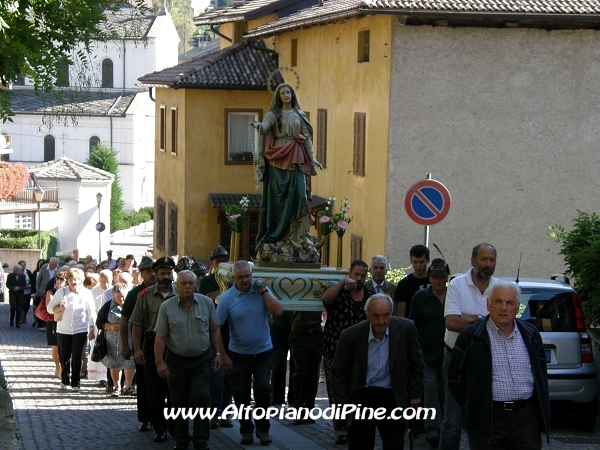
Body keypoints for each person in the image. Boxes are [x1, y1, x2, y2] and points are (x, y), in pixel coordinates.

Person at [448, 282, 550, 449]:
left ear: (517, 307)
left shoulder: (531, 334)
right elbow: (455, 380)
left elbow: (541, 375)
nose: (504, 307)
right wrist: (475, 405)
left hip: (525, 420)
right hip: (487, 419)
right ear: (488, 304)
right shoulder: (471, 337)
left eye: (509, 303)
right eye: (498, 301)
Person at [332, 294, 424, 449]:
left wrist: (415, 395)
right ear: (367, 315)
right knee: (360, 443)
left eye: (386, 315)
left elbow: (417, 364)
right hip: (363, 395)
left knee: (395, 443)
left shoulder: (406, 329)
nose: (381, 321)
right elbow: (338, 373)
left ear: (391, 313)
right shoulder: (350, 335)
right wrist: (345, 406)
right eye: (375, 316)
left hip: (392, 394)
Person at [154, 270, 232, 450]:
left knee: (202, 397)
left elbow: (215, 330)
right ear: (177, 285)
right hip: (176, 361)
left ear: (195, 284)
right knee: (178, 402)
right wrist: (160, 362)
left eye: (190, 283)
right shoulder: (167, 307)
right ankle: (181, 439)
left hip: (202, 360)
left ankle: (201, 439)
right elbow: (160, 337)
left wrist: (218, 354)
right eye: (183, 284)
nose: (187, 286)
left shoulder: (206, 303)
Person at [216, 260, 283, 446]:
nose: (245, 280)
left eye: (248, 276)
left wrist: (263, 291)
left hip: (263, 351)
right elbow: (216, 328)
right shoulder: (227, 298)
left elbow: (278, 311)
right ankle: (246, 430)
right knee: (241, 394)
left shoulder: (262, 292)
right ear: (233, 278)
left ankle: (263, 430)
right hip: (238, 354)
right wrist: (222, 354)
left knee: (262, 388)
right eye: (241, 277)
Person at [440, 243, 499, 450]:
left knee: (485, 415)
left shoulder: (499, 287)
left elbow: (503, 323)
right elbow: (451, 322)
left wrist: (472, 319)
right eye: (483, 259)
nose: (488, 264)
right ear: (473, 260)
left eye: (491, 260)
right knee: (452, 418)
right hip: (456, 357)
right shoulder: (457, 285)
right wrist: (484, 322)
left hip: (487, 359)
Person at [252, 83, 323, 248]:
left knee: (301, 196)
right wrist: (258, 127)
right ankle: (280, 236)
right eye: (283, 93)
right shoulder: (273, 114)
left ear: (292, 95)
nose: (286, 95)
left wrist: (312, 158)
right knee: (279, 200)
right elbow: (264, 129)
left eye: (288, 92)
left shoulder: (299, 114)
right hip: (278, 159)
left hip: (296, 157)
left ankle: (301, 235)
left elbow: (306, 137)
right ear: (278, 96)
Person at [321, 260, 374, 445]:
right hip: (334, 350)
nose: (359, 279)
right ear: (350, 274)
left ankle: (355, 425)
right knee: (336, 392)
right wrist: (342, 283)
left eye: (362, 276)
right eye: (356, 275)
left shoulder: (369, 296)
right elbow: (325, 300)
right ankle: (340, 428)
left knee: (357, 391)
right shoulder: (339, 292)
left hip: (360, 354)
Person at [130, 257, 178, 443]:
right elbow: (137, 325)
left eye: (169, 273)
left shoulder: (180, 292)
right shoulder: (145, 295)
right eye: (162, 273)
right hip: (151, 344)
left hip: (175, 346)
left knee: (175, 389)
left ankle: (175, 426)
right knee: (155, 389)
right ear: (155, 274)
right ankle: (160, 428)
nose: (166, 277)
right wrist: (137, 349)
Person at [409, 258, 451, 448]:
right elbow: (412, 326)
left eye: (441, 277)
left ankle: (446, 428)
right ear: (430, 277)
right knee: (431, 392)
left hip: (448, 353)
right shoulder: (420, 298)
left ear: (446, 278)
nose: (438, 281)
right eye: (434, 277)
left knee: (446, 392)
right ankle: (432, 430)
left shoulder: (453, 296)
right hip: (426, 353)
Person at [119, 256, 155, 432]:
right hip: (143, 341)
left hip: (164, 342)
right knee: (144, 382)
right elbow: (124, 321)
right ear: (141, 274)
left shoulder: (165, 290)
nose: (152, 274)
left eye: (154, 270)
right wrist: (125, 346)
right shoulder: (136, 294)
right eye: (148, 271)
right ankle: (145, 418)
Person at [47, 268, 96, 391]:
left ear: (81, 280)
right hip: (63, 329)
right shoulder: (61, 292)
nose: (74, 282)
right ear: (67, 280)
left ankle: (76, 383)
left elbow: (91, 312)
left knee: (77, 356)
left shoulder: (86, 293)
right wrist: (59, 307)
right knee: (64, 356)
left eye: (76, 279)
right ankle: (64, 379)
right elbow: (49, 308)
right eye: (71, 279)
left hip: (80, 329)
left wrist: (91, 329)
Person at [97, 283, 136, 396]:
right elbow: (99, 322)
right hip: (112, 341)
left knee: (130, 363)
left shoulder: (132, 305)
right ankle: (116, 387)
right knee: (114, 364)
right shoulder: (108, 306)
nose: (121, 299)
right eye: (118, 296)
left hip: (129, 339)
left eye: (123, 296)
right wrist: (109, 326)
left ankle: (128, 387)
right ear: (113, 295)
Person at [44, 267, 68, 378]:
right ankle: (58, 366)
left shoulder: (69, 293)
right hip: (53, 322)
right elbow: (49, 308)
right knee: (55, 347)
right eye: (57, 279)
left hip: (67, 322)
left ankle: (64, 368)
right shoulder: (51, 292)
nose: (59, 281)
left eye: (62, 279)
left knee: (65, 347)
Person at [394, 244, 430, 317]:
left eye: (421, 262)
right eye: (415, 262)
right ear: (411, 261)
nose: (418, 266)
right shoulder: (404, 284)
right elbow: (401, 315)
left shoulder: (434, 281)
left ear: (428, 260)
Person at [31, 258, 47, 329]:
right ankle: (37, 321)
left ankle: (42, 323)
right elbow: (34, 284)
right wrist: (33, 294)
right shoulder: (36, 273)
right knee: (37, 307)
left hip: (44, 293)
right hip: (37, 293)